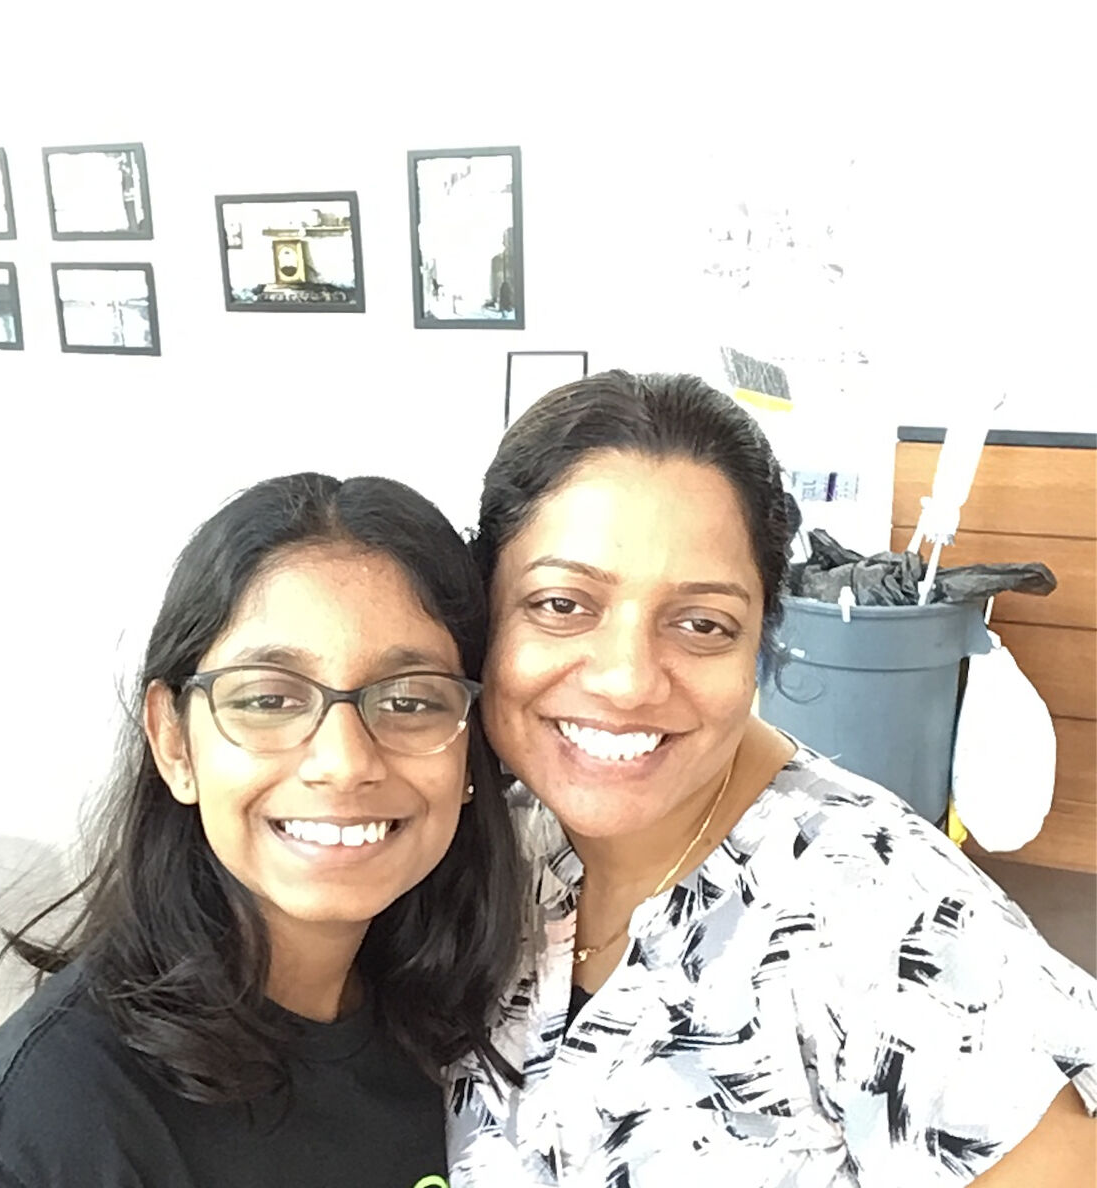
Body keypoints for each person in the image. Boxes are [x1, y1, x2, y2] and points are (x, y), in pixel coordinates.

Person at [448, 370, 1096, 1186]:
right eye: (562, 605)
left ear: (763, 637)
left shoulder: (886, 925)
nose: (626, 680)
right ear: (484, 610)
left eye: (701, 623)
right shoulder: (483, 840)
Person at [0, 472, 521, 1188]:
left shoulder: (471, 1038)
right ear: (174, 742)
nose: (345, 762)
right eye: (269, 699)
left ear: (472, 748)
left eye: (410, 700)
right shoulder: (46, 1135)